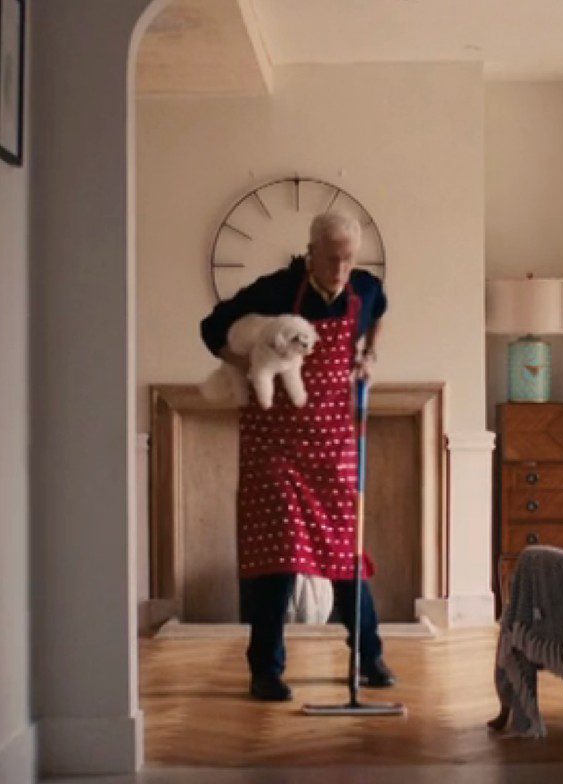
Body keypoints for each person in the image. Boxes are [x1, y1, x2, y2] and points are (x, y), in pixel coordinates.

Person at [199, 211, 395, 702]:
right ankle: (265, 669)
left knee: (345, 551)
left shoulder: (365, 288)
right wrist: (253, 362)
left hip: (334, 442)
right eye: (330, 259)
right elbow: (212, 329)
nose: (340, 270)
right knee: (277, 555)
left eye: (348, 259)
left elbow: (379, 313)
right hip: (276, 442)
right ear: (310, 253)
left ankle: (370, 656)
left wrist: (369, 355)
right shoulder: (275, 289)